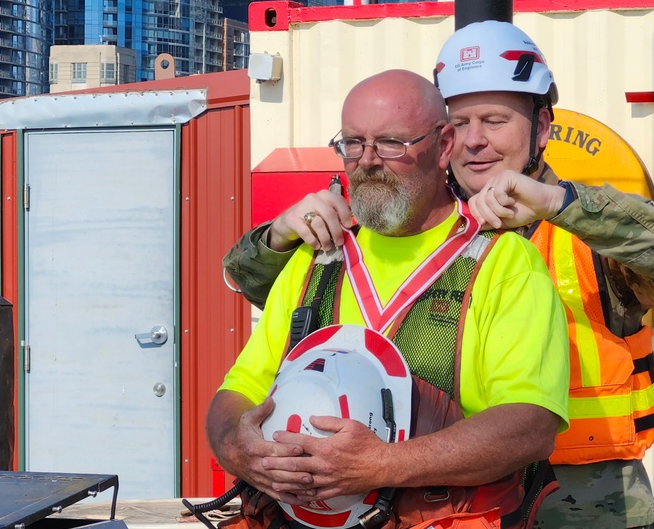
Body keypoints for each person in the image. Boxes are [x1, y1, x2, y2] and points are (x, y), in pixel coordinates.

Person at [223, 23, 654, 529]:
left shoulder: (586, 231)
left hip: (585, 503)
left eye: (495, 120)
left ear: (542, 127)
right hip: (440, 503)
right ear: (441, 137)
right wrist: (278, 236)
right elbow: (274, 295)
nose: (476, 141)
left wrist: (556, 204)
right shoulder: (405, 222)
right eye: (460, 122)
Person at [207, 69, 570, 529]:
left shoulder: (503, 263)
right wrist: (237, 448)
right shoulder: (316, 258)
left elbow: (529, 425)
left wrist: (381, 465)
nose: (368, 160)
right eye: (354, 143)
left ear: (443, 147)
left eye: (392, 143)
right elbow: (240, 388)